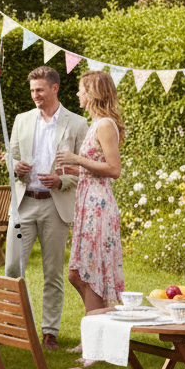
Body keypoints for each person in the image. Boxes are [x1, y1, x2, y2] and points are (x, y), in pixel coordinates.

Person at [5, 66, 89, 350]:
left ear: (54, 88)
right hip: (23, 206)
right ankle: (16, 326)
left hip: (56, 208)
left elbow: (84, 169)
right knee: (13, 266)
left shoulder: (77, 124)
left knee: (52, 271)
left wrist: (61, 180)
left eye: (40, 90)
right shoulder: (22, 119)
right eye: (32, 91)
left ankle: (49, 332)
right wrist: (15, 166)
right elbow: (10, 155)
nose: (35, 96)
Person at [55, 70, 125, 329]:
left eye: (81, 89)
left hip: (99, 205)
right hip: (87, 202)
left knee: (88, 272)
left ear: (93, 92)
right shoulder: (95, 124)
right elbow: (95, 167)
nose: (77, 93)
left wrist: (77, 160)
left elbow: (114, 169)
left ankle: (99, 332)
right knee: (78, 274)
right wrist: (71, 169)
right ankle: (98, 330)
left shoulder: (106, 124)